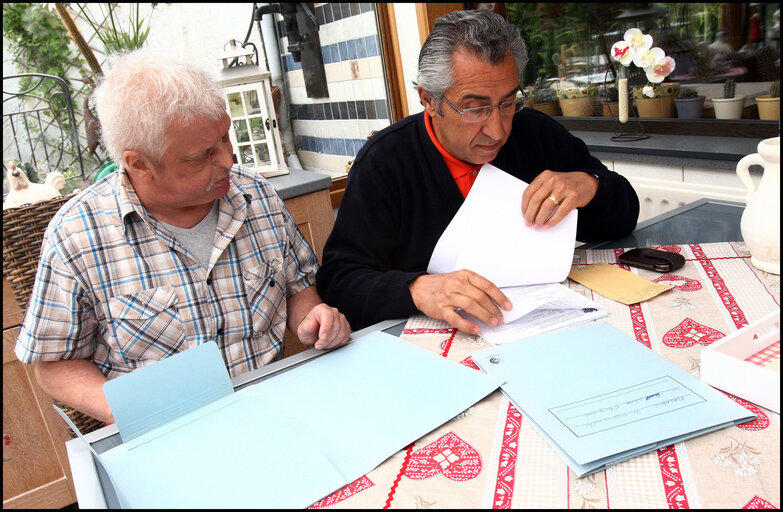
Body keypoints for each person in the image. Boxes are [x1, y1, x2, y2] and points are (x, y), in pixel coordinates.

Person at [14, 50, 351, 424]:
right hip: (169, 435)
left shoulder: (258, 197)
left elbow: (298, 286)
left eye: (226, 136)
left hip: (274, 412)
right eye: (202, 155)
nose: (227, 159)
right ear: (139, 163)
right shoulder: (78, 235)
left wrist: (313, 317)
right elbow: (53, 363)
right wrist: (125, 411)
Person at [316, 9, 639, 334]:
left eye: (508, 102)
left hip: (547, 324)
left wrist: (589, 185)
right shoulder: (385, 162)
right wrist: (416, 290)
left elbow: (625, 216)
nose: (497, 130)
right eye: (475, 108)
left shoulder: (534, 133)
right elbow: (339, 281)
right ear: (429, 99)